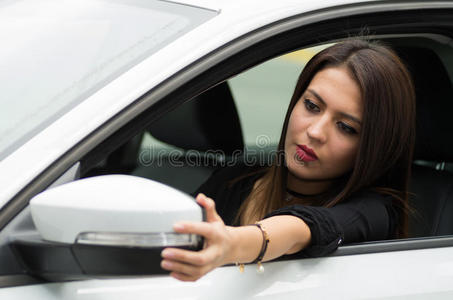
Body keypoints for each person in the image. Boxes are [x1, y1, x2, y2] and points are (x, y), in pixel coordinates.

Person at [160, 39, 416, 281]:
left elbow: (303, 228)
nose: (315, 132)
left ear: (374, 145)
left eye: (346, 127)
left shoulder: (375, 211)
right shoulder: (240, 178)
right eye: (312, 106)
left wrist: (233, 244)